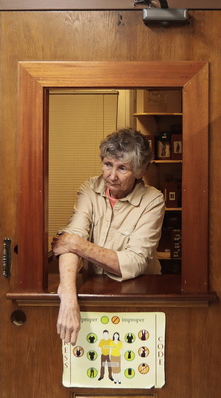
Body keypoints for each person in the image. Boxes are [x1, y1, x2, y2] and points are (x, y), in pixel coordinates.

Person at [53, 128, 164, 344]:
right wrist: (67, 296)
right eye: (107, 165)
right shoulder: (90, 187)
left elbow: (133, 263)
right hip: (92, 291)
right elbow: (71, 239)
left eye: (122, 168)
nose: (111, 176)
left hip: (138, 296)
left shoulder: (153, 200)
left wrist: (76, 244)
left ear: (140, 171)